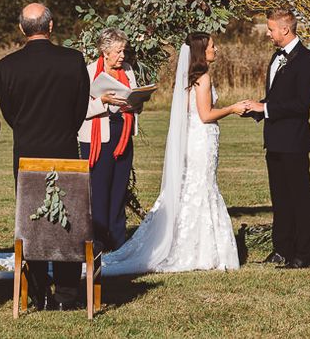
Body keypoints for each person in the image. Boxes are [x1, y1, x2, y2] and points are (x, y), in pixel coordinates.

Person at [102, 32, 243, 275]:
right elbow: (206, 114)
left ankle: (194, 245)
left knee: (194, 188)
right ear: (202, 51)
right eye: (212, 46)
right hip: (201, 139)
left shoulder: (189, 78)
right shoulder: (203, 78)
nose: (216, 49)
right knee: (202, 187)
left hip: (195, 140)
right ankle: (198, 250)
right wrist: (232, 108)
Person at [0, 3, 89, 310]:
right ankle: (66, 293)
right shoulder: (74, 61)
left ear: (22, 29)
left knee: (32, 220)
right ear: (50, 27)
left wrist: (28, 131)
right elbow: (80, 110)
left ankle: (38, 292)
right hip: (64, 149)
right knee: (68, 220)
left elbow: (9, 113)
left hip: (26, 152)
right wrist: (63, 131)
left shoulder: (6, 66)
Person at [239, 7, 310, 269]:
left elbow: (300, 104)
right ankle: (281, 249)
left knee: (300, 198)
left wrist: (266, 108)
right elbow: (276, 98)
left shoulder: (306, 60)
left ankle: (304, 253)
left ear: (285, 29)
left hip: (294, 141)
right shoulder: (276, 57)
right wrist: (256, 107)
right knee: (280, 198)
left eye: (271, 29)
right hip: (274, 139)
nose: (269, 34)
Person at [78, 28, 138, 251]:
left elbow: (133, 98)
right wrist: (101, 101)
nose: (122, 56)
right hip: (97, 140)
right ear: (105, 51)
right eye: (118, 51)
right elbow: (79, 109)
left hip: (122, 136)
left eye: (123, 50)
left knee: (119, 189)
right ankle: (98, 241)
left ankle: (118, 240)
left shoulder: (128, 71)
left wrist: (136, 103)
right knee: (99, 190)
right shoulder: (88, 72)